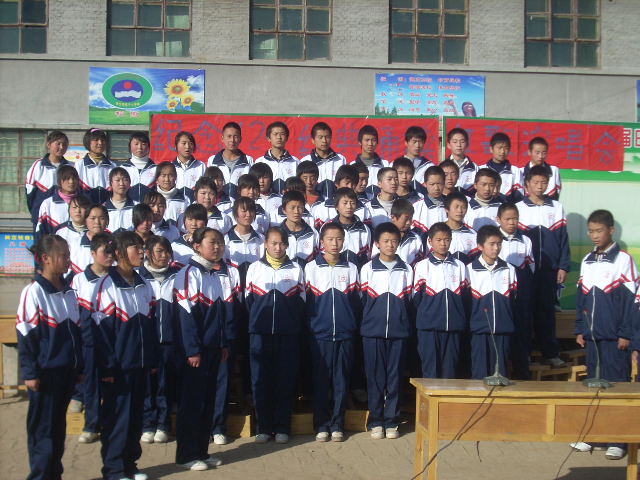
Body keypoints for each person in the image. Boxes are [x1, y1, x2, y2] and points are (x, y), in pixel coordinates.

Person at [571, 209, 639, 460]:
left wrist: (626, 333)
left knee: (616, 387)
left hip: (615, 338)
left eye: (599, 231)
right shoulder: (587, 260)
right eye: (591, 231)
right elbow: (582, 298)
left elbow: (632, 302)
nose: (594, 235)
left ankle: (618, 440)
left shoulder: (624, 260)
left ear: (611, 230)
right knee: (593, 386)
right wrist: (580, 328)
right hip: (592, 336)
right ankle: (593, 435)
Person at [90, 231, 157, 480]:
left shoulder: (144, 284)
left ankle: (130, 465)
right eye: (135, 248)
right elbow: (101, 333)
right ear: (118, 253)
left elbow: (151, 324)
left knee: (136, 417)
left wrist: (152, 359)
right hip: (118, 368)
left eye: (141, 247)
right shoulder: (106, 286)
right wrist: (107, 368)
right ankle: (114, 469)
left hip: (140, 364)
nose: (141, 251)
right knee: (117, 418)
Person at [17, 235, 83, 480]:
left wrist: (79, 367)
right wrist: (30, 372)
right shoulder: (33, 292)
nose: (67, 260)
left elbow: (76, 333)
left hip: (66, 372)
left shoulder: (68, 292)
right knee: (42, 430)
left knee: (57, 429)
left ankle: (54, 474)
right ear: (45, 258)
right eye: (63, 255)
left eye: (68, 255)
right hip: (45, 373)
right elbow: (26, 334)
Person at [174, 227, 233, 471]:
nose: (217, 247)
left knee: (208, 401)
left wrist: (223, 343)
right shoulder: (189, 274)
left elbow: (219, 316)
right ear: (197, 246)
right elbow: (186, 316)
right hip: (196, 353)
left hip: (213, 349)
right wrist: (192, 350)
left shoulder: (214, 275)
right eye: (212, 242)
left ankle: (201, 451)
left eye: (220, 242)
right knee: (192, 403)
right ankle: (186, 454)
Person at [245, 227, 305, 444]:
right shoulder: (254, 268)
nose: (278, 248)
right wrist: (258, 324)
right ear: (265, 244)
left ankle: (282, 427)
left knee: (284, 380)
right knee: (261, 380)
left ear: (287, 245)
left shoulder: (296, 269)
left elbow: (301, 302)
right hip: (260, 334)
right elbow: (248, 301)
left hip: (287, 335)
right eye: (273, 243)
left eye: (281, 243)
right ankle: (264, 426)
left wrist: (289, 324)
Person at [305, 223, 361, 442]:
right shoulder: (311, 268)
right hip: (320, 335)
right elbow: (306, 303)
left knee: (341, 381)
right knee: (320, 380)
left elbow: (356, 303)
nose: (335, 243)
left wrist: (350, 325)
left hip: (345, 334)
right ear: (322, 242)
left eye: (339, 239)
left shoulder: (351, 268)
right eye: (330, 239)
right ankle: (321, 424)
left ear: (344, 241)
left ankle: (337, 424)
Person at [360, 222, 413, 440]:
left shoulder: (407, 269)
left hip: (399, 333)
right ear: (377, 244)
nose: (390, 245)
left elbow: (409, 300)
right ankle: (376, 421)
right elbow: (362, 300)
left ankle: (392, 421)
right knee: (375, 378)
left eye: (394, 241)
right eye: (386, 241)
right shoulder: (367, 269)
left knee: (394, 378)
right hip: (372, 333)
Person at [517, 165, 570, 368]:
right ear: (527, 184)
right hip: (525, 271)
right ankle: (524, 354)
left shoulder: (556, 207)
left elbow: (563, 239)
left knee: (546, 312)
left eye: (544, 182)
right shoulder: (518, 208)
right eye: (536, 182)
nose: (540, 186)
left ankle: (551, 353)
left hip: (548, 271)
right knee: (524, 313)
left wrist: (563, 266)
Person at [70, 232, 115, 444]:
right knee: (91, 385)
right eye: (105, 252)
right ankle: (91, 425)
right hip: (88, 341)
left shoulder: (117, 278)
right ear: (93, 253)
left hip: (112, 341)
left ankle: (109, 424)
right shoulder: (79, 280)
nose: (110, 256)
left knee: (112, 385)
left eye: (112, 252)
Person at [413, 222, 469, 378]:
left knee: (450, 372)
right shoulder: (422, 266)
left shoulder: (459, 266)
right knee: (430, 371)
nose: (443, 244)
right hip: (429, 328)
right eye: (439, 240)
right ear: (430, 241)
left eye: (447, 239)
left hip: (453, 326)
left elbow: (465, 297)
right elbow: (416, 298)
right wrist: (426, 317)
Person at [139, 236, 180, 445]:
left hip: (170, 342)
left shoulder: (177, 277)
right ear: (148, 253)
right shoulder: (140, 278)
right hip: (148, 341)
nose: (164, 256)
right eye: (159, 251)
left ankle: (163, 425)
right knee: (148, 385)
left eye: (166, 252)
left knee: (165, 384)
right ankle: (148, 424)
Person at [467, 225, 517, 379]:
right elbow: (466, 303)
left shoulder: (509, 269)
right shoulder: (469, 270)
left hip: (503, 328)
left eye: (499, 244)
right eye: (492, 244)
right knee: (480, 373)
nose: (496, 248)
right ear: (480, 246)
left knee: (501, 374)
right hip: (479, 330)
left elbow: (514, 300)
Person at [497, 202, 535, 380]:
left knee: (521, 332)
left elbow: (531, 267)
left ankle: (522, 374)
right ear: (499, 219)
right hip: (501, 295)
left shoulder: (526, 240)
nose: (512, 223)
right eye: (507, 219)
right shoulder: (493, 240)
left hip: (521, 295)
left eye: (515, 219)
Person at [25, 130, 71, 226]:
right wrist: (36, 212)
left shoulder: (70, 166)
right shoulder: (38, 165)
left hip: (63, 219)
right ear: (49, 145)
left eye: (64, 144)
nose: (61, 147)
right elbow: (29, 194)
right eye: (58, 144)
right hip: (42, 218)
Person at [312, 165, 370, 229]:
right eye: (347, 183)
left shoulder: (363, 209)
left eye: (353, 184)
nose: (350, 187)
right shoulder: (323, 209)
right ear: (337, 184)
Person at [206, 121, 254, 199]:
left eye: (236, 136)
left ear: (240, 139)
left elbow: (251, 185)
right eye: (229, 136)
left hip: (241, 204)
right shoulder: (212, 160)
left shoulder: (248, 160)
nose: (232, 140)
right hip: (218, 203)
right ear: (222, 138)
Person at [371, 199, 424, 267]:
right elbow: (375, 259)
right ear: (393, 217)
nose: (408, 223)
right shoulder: (382, 236)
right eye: (405, 219)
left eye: (410, 219)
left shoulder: (416, 239)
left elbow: (419, 263)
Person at [35, 165, 83, 240]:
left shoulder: (84, 203)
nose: (71, 182)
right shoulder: (48, 203)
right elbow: (41, 230)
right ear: (59, 181)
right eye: (67, 179)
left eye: (74, 178)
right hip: (55, 246)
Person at [300, 122, 346, 198]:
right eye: (320, 137)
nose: (324, 141)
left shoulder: (341, 159)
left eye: (327, 137)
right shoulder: (305, 161)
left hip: (336, 200)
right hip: (313, 200)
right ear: (313, 140)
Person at [254, 121, 300, 194]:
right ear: (269, 138)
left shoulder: (295, 162)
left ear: (287, 138)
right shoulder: (260, 161)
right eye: (275, 134)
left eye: (282, 134)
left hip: (288, 200)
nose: (279, 137)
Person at [330, 187, 371, 269]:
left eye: (352, 203)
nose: (349, 207)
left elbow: (367, 255)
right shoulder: (329, 227)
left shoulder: (364, 229)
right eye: (345, 203)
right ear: (336, 206)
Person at [75, 128, 115, 204]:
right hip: (86, 207)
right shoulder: (79, 165)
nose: (100, 143)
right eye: (96, 140)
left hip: (106, 208)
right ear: (88, 142)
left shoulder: (112, 165)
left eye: (102, 140)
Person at [280, 190, 318, 267]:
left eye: (300, 207)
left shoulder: (313, 233)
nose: (296, 211)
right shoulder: (278, 233)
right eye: (292, 208)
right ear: (284, 210)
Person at [68, 204, 110, 276]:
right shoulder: (74, 244)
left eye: (102, 218)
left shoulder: (113, 243)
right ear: (85, 220)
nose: (97, 222)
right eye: (93, 218)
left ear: (107, 221)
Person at [481, 132, 523, 202]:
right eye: (499, 148)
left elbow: (519, 195)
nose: (502, 151)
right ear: (491, 149)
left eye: (506, 148)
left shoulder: (515, 171)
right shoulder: (481, 169)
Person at [351, 125, 387, 199]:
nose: (370, 144)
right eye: (367, 140)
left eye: (373, 140)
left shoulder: (385, 165)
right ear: (360, 142)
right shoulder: (352, 165)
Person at [121, 132, 157, 203]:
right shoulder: (122, 169)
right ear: (130, 146)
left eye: (143, 144)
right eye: (136, 144)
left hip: (149, 208)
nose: (140, 147)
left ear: (148, 147)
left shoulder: (156, 169)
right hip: (128, 208)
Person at [444, 192, 478, 265]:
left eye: (463, 207)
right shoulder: (437, 232)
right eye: (456, 207)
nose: (460, 211)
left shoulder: (473, 234)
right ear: (446, 209)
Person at [412, 166, 447, 234]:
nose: (436, 188)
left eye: (439, 183)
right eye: (432, 184)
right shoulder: (416, 207)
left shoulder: (451, 205)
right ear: (425, 184)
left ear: (444, 183)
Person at [402, 125, 434, 195]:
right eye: (414, 142)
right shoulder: (395, 164)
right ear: (406, 142)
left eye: (420, 142)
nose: (417, 145)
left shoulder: (429, 166)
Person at [104, 167, 136, 234]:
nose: (121, 183)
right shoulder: (103, 208)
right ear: (110, 183)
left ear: (129, 183)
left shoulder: (136, 206)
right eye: (117, 180)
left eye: (125, 180)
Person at [446, 127, 477, 194]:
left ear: (467, 144)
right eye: (455, 142)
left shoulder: (475, 168)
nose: (459, 145)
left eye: (462, 142)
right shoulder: (442, 167)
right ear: (448, 145)